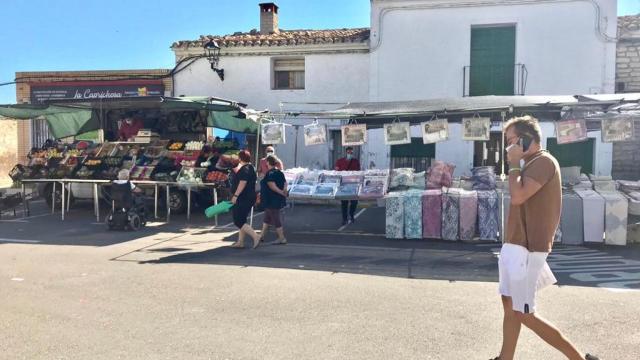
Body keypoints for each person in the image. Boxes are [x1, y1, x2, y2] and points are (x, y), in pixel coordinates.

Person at [493, 116, 599, 360]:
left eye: (511, 141)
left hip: (528, 248)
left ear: (526, 139)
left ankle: (579, 359)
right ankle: (504, 357)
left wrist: (514, 164)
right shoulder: (530, 163)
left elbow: (519, 196)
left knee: (524, 312)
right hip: (516, 244)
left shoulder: (542, 162)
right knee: (509, 305)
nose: (508, 147)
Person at [229, 149, 261, 249]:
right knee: (242, 219)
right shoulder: (250, 167)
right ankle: (240, 242)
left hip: (243, 198)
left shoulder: (245, 169)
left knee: (238, 221)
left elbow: (242, 183)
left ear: (240, 158)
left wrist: (235, 196)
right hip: (248, 197)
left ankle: (256, 236)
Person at [259, 155, 288, 245]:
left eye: (266, 162)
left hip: (272, 199)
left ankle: (282, 238)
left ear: (268, 163)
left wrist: (281, 192)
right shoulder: (279, 172)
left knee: (276, 218)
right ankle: (261, 237)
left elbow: (272, 185)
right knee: (267, 218)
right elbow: (285, 183)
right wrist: (284, 191)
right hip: (275, 199)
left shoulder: (270, 173)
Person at [334, 146, 361, 225]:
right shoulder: (340, 161)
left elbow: (359, 172)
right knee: (344, 203)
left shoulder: (356, 161)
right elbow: (336, 171)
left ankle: (351, 215)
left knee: (354, 202)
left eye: (351, 152)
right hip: (344, 185)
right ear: (346, 152)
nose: (350, 154)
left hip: (353, 185)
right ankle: (344, 219)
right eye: (348, 152)